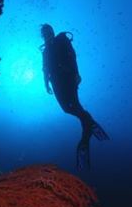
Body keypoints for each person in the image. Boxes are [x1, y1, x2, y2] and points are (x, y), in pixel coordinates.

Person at [40, 23, 108, 170]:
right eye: (44, 33)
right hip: (56, 82)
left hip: (68, 77)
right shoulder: (45, 51)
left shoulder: (61, 40)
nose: (47, 35)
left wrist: (76, 73)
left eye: (49, 31)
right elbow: (44, 69)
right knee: (67, 109)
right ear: (42, 35)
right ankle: (89, 123)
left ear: (53, 31)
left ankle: (85, 139)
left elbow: (72, 56)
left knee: (75, 106)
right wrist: (46, 84)